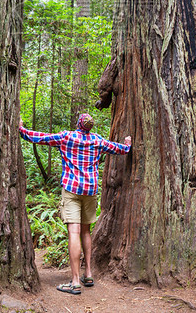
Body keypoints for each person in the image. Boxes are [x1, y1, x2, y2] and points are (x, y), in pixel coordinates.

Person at [19, 113, 131, 295]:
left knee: (74, 231)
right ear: (90, 127)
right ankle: (88, 273)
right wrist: (128, 145)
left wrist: (21, 129)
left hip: (72, 190)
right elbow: (118, 149)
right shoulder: (97, 140)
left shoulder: (67, 137)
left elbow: (40, 138)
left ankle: (75, 281)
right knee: (86, 231)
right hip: (90, 191)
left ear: (78, 124)